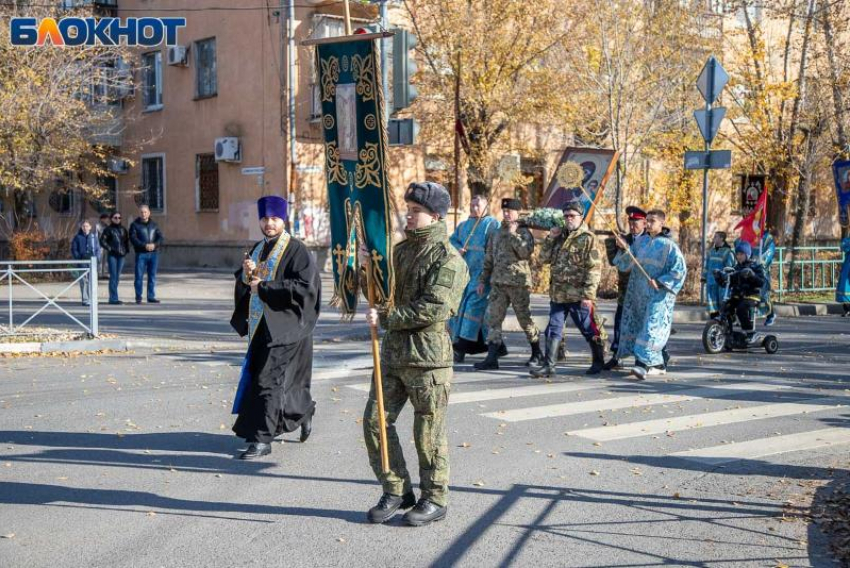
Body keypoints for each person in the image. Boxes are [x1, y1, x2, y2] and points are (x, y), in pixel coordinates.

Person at [362, 182, 468, 527]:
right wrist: (367, 269)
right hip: (393, 355)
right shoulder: (400, 251)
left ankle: (435, 498)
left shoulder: (449, 259)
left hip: (428, 360)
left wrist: (388, 317)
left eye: (416, 211)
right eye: (408, 209)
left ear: (435, 216)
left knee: (428, 432)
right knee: (375, 422)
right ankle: (396, 489)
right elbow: (380, 295)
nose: (409, 215)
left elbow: (435, 307)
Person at [230, 195, 320, 460]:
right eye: (265, 219)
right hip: (262, 325)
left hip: (288, 325)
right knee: (269, 379)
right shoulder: (258, 248)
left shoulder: (297, 250)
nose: (269, 224)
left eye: (274, 219)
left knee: (267, 380)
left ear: (283, 220)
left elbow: (305, 288)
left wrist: (264, 287)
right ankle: (303, 411)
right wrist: (246, 275)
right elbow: (249, 284)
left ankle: (262, 439)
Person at [531, 202, 606, 378]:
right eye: (565, 216)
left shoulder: (588, 238)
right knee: (554, 328)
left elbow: (594, 269)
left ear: (581, 217)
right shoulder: (559, 236)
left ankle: (598, 360)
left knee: (588, 327)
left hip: (578, 294)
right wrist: (550, 238)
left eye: (572, 215)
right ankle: (549, 366)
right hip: (558, 294)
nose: (568, 219)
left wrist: (588, 295)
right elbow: (542, 259)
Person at [614, 209, 687, 380]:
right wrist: (624, 249)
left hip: (658, 296)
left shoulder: (669, 246)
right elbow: (626, 264)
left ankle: (642, 366)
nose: (648, 223)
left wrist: (661, 281)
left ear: (662, 223)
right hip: (639, 295)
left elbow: (679, 270)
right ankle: (659, 365)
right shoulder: (641, 242)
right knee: (640, 328)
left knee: (650, 330)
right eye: (647, 220)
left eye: (652, 220)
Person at [474, 198, 540, 370]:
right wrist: (482, 280)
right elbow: (489, 258)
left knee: (524, 319)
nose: (506, 214)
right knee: (493, 319)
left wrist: (513, 234)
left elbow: (525, 253)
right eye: (504, 211)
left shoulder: (524, 231)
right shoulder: (496, 232)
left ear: (517, 212)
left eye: (509, 211)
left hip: (518, 283)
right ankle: (492, 357)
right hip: (498, 283)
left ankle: (537, 352)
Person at [448, 194, 500, 363]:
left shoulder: (491, 224)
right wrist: (458, 249)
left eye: (478, 205)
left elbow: (495, 249)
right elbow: (451, 242)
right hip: (464, 275)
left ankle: (460, 349)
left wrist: (487, 277)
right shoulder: (463, 226)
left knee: (472, 310)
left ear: (486, 207)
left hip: (481, 276)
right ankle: (496, 347)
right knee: (458, 310)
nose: (474, 207)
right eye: (472, 204)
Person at [602, 205, 646, 370]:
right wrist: (614, 244)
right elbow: (613, 262)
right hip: (625, 291)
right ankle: (617, 356)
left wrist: (628, 249)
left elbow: (642, 263)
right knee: (620, 323)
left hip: (642, 291)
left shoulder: (650, 241)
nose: (632, 226)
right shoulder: (625, 239)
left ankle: (641, 358)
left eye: (636, 223)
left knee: (641, 325)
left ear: (644, 223)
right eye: (630, 223)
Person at [716, 240, 766, 339]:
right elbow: (729, 283)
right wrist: (720, 278)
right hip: (738, 296)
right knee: (725, 306)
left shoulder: (756, 267)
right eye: (737, 254)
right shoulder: (736, 268)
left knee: (741, 309)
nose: (739, 256)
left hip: (752, 296)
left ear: (747, 255)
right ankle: (727, 330)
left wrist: (752, 275)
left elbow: (761, 282)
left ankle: (750, 332)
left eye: (741, 254)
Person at [129, 205, 164, 304]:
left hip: (153, 254)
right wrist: (144, 245)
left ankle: (151, 296)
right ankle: (138, 297)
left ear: (149, 213)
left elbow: (160, 237)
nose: (143, 214)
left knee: (152, 276)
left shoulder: (154, 224)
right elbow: (133, 239)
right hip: (141, 254)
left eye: (145, 212)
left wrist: (154, 245)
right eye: (142, 212)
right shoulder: (134, 225)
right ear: (139, 213)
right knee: (139, 276)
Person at [99, 211, 130, 305]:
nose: (117, 219)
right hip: (112, 255)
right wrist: (109, 248)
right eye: (115, 218)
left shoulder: (123, 229)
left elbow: (126, 241)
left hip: (121, 255)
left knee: (117, 276)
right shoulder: (108, 229)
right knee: (113, 276)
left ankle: (114, 296)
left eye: (119, 218)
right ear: (111, 219)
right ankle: (113, 298)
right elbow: (102, 241)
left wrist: (126, 250)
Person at [703, 231, 735, 318]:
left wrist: (727, 278)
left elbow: (730, 267)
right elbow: (706, 266)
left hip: (722, 281)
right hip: (710, 280)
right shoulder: (711, 252)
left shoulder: (728, 252)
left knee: (722, 299)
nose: (714, 238)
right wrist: (703, 277)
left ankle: (725, 318)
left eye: (716, 237)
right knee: (711, 300)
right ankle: (713, 317)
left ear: (722, 238)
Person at [70, 220, 101, 307]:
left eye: (87, 226)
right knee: (84, 281)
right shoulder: (77, 237)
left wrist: (97, 259)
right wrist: (79, 258)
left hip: (92, 262)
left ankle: (93, 298)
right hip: (82, 262)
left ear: (90, 227)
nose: (85, 228)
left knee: (93, 281)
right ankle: (85, 299)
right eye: (83, 226)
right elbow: (74, 249)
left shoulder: (93, 237)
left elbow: (98, 249)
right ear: (81, 227)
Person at [837, 230, 850, 316]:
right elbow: (843, 247)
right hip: (847, 266)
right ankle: (847, 309)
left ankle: (847, 309)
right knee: (844, 286)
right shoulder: (847, 240)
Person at [95, 213, 109, 279]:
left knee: (105, 260)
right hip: (100, 245)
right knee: (100, 259)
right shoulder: (97, 226)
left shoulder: (107, 226)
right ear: (102, 219)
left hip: (106, 245)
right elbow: (96, 236)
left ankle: (105, 274)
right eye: (105, 219)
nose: (107, 220)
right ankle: (99, 274)